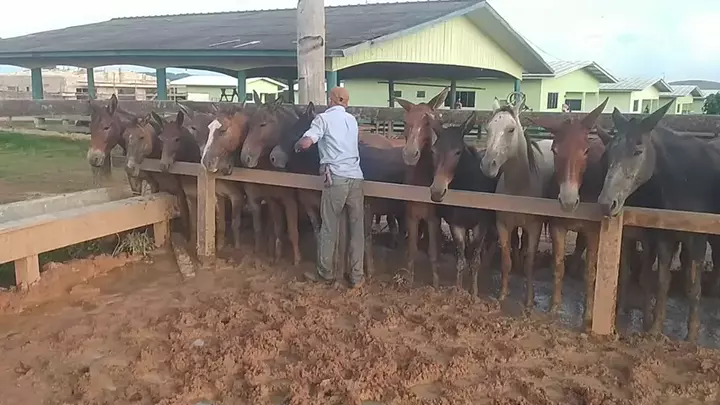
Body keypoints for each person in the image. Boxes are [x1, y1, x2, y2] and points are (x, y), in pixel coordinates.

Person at [294, 87, 365, 288]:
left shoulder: (323, 119)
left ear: (330, 100)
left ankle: (325, 273)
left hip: (336, 178)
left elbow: (307, 143)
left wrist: (297, 144)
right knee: (356, 229)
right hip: (356, 178)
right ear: (346, 102)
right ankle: (357, 276)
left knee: (329, 227)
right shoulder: (352, 120)